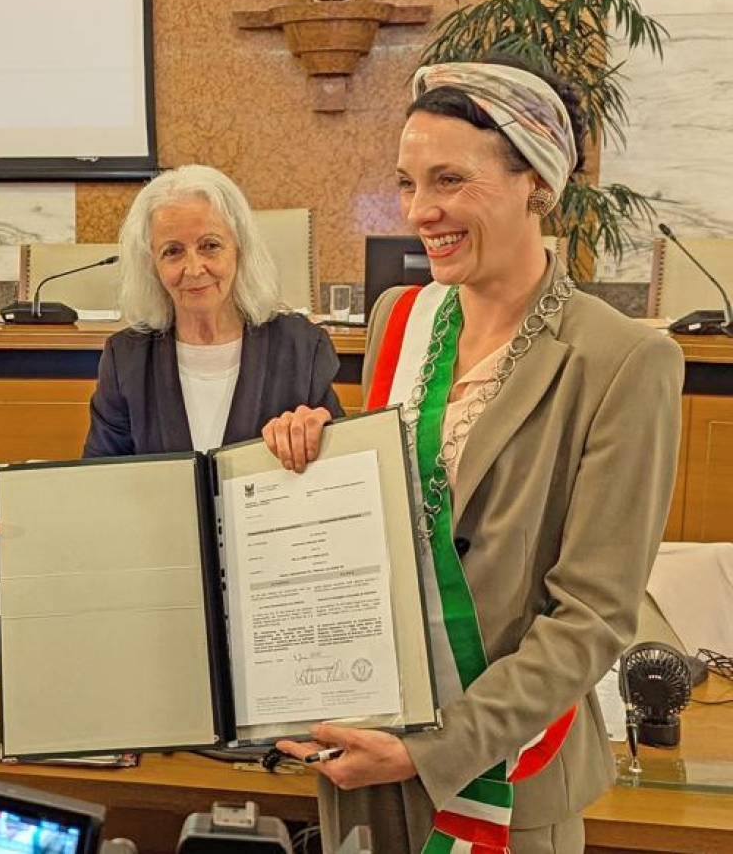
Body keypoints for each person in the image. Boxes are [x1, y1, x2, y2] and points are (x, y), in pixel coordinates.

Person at [267, 60, 683, 852]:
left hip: (501, 774)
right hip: (364, 741)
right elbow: (390, 517)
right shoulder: (400, 319)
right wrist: (314, 454)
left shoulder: (623, 361)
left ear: (537, 182)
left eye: (450, 179)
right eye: (408, 182)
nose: (421, 211)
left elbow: (591, 618)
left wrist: (431, 749)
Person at [84, 164, 343, 459]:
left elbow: (339, 466)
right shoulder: (126, 359)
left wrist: (317, 436)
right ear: (152, 266)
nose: (194, 269)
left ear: (240, 250)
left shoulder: (302, 348)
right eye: (172, 251)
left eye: (210, 245)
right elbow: (101, 478)